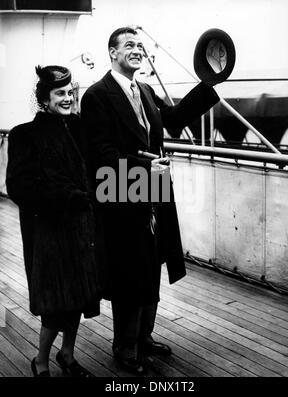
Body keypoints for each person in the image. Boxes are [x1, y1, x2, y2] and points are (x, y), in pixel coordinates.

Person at [80, 27, 220, 375]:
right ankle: (125, 346)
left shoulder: (143, 89)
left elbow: (171, 121)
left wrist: (209, 85)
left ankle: (144, 337)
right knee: (129, 270)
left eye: (139, 45)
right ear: (112, 52)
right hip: (122, 193)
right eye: (129, 45)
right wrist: (144, 165)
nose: (137, 49)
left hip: (154, 191)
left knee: (152, 262)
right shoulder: (97, 95)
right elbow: (99, 153)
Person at [6, 65, 103, 377]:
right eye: (60, 93)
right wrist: (66, 196)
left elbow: (100, 164)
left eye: (70, 92)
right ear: (44, 99)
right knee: (54, 304)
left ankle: (68, 355)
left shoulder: (78, 127)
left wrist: (148, 179)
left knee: (79, 296)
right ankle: (42, 360)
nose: (67, 98)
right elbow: (19, 187)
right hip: (49, 231)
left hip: (82, 228)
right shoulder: (25, 135)